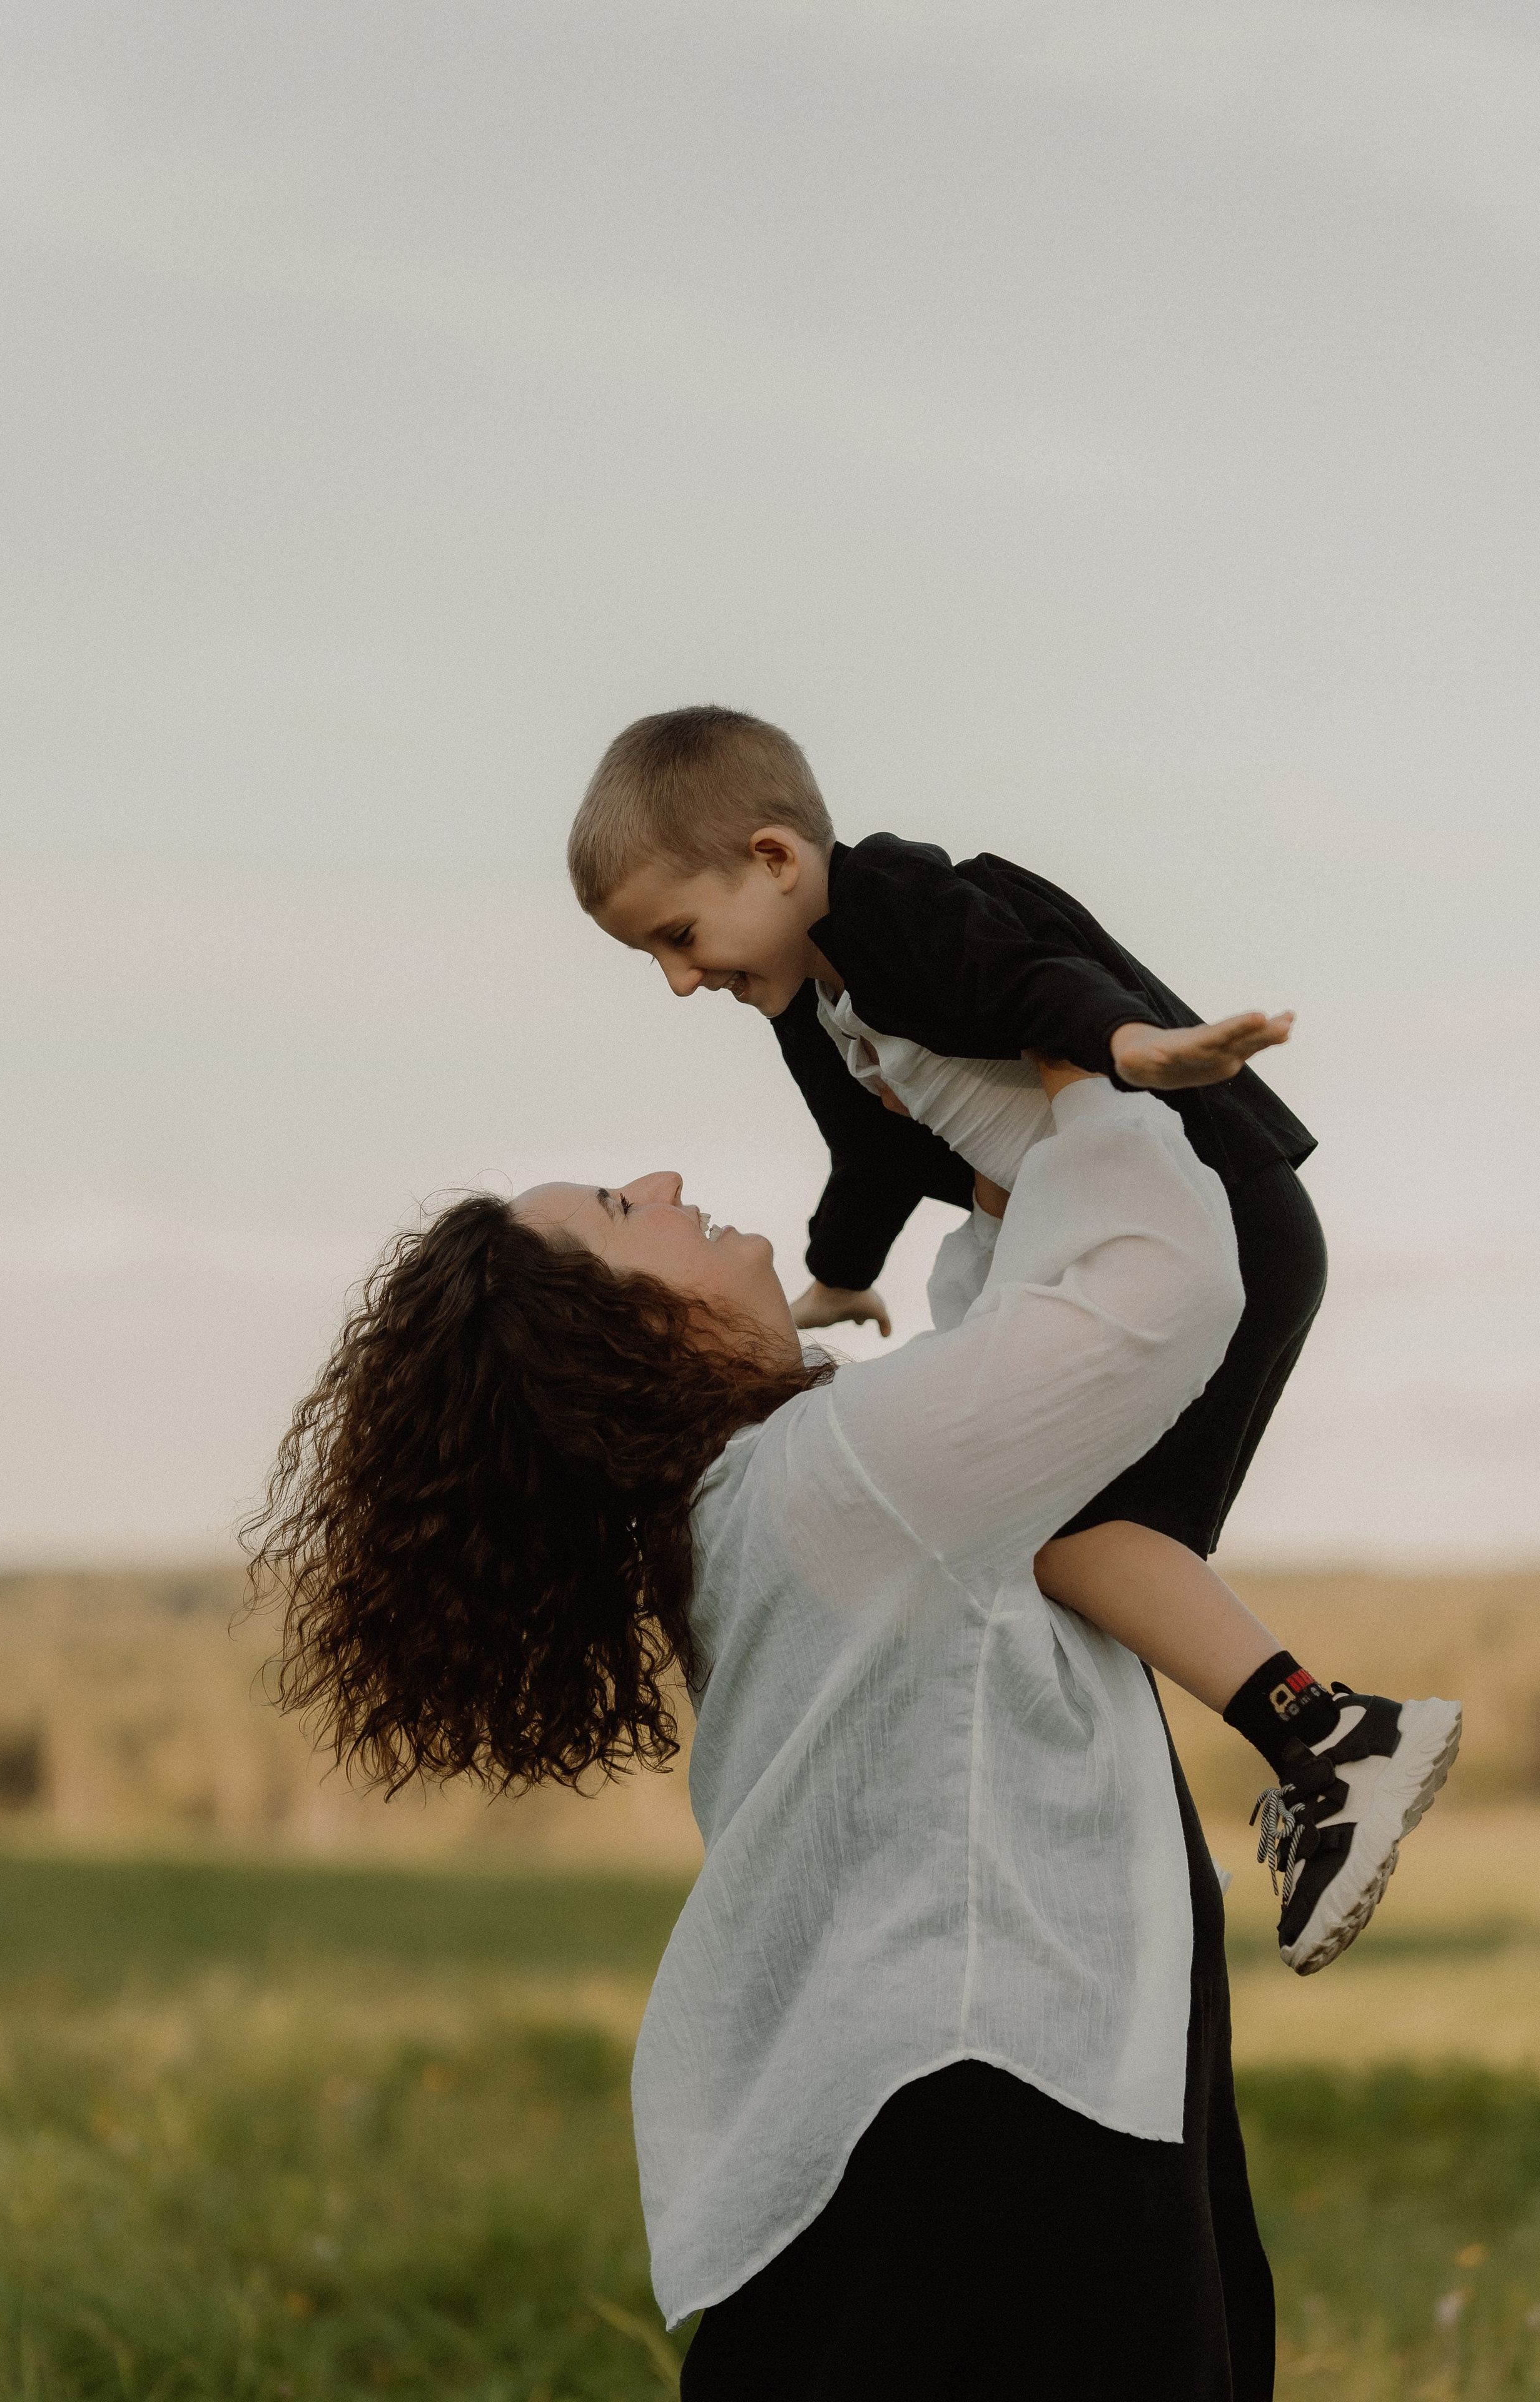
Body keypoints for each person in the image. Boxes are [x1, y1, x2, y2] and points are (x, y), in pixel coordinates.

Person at [246, 1064, 1281, 2393]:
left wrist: (990, 1176)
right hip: (1000, 2098)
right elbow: (1164, 1283)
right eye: (625, 1210)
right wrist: (1083, 1084)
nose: (669, 1186)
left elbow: (1001, 1356)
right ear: (617, 1333)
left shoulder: (751, 1502)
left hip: (934, 2097)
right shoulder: (843, 1476)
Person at [569, 705, 1462, 1972]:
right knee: (1079, 1567)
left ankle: (1333, 1744)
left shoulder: (894, 909)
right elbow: (868, 1150)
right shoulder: (815, 1004)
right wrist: (831, 1277)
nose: (676, 979)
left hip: (1212, 1222)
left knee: (1081, 1542)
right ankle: (1159, 1838)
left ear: (772, 859)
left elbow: (1026, 976)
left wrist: (1125, 1046)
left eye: (676, 937)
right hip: (1127, 1237)